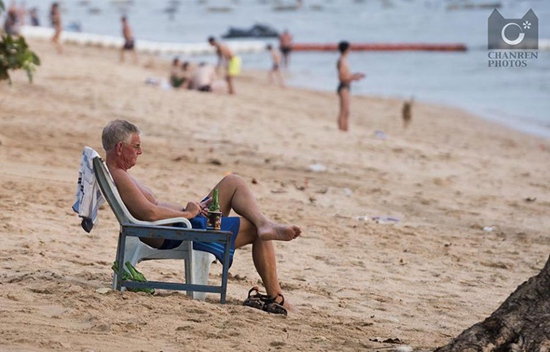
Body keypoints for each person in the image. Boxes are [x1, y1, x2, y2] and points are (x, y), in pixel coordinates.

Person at [101, 120, 301, 314]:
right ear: (120, 148)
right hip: (179, 232)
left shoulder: (118, 173)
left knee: (233, 182)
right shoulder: (119, 176)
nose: (140, 151)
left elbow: (151, 209)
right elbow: (150, 213)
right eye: (136, 146)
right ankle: (277, 296)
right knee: (253, 230)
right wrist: (187, 214)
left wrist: (190, 210)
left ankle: (265, 223)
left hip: (181, 224)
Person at [336, 41, 365, 132]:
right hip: (343, 86)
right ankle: (342, 130)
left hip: (346, 86)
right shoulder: (342, 61)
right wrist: (353, 77)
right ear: (346, 49)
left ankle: (345, 129)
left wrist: (354, 76)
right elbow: (341, 77)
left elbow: (345, 75)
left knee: (346, 111)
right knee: (344, 110)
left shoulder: (344, 60)